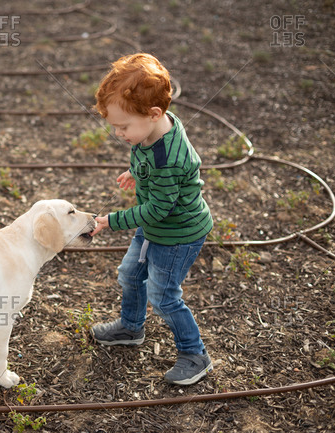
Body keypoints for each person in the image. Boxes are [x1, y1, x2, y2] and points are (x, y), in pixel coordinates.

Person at [89, 53, 214, 385]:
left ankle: (195, 353)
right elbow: (147, 158)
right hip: (156, 227)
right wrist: (136, 171)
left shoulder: (167, 159)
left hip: (177, 234)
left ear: (154, 114)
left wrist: (111, 220)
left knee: (163, 295)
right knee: (130, 274)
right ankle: (131, 327)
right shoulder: (154, 128)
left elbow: (159, 209)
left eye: (122, 126)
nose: (118, 133)